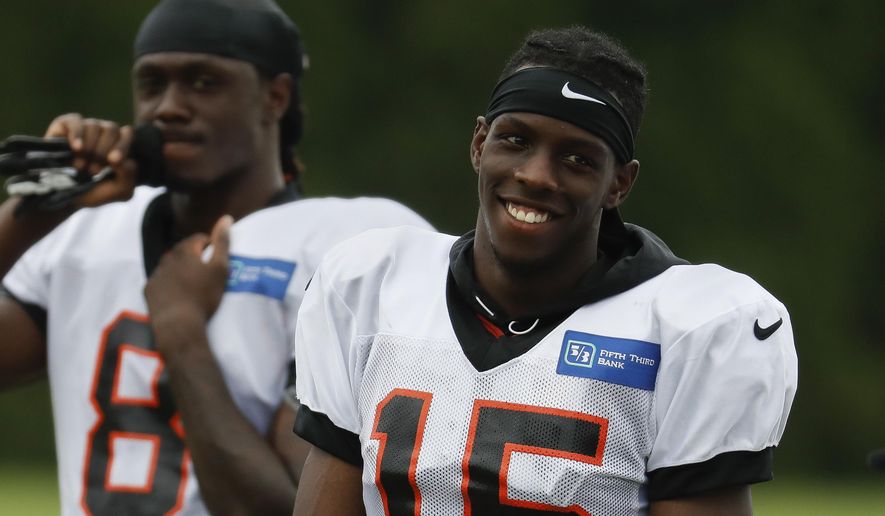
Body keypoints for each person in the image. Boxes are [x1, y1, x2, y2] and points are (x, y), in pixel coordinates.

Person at [291, 26, 799, 515]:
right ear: (478, 144)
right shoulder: (374, 285)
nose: (536, 175)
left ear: (619, 184)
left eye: (577, 159)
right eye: (515, 140)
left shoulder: (692, 328)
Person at [0, 0, 430, 514]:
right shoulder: (85, 230)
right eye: (152, 84)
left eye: (204, 83)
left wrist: (182, 330)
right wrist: (40, 210)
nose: (169, 108)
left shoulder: (344, 250)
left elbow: (291, 505)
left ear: (275, 96)